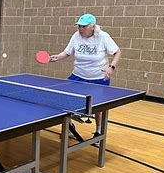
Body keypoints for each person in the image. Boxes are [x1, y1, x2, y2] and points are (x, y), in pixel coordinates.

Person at [49, 13, 121, 145]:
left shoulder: (103, 37)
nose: (80, 29)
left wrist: (111, 67)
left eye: (83, 26)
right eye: (79, 26)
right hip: (78, 75)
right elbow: (67, 52)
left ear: (92, 26)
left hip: (98, 78)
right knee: (66, 99)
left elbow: (117, 52)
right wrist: (57, 57)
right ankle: (69, 126)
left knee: (98, 107)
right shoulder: (76, 36)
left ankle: (98, 132)